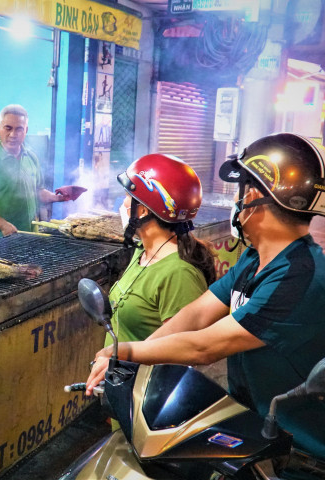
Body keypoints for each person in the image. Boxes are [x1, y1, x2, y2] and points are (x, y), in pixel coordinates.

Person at [86, 133, 325, 477]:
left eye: (240, 191)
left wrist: (126, 353)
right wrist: (137, 356)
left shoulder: (300, 277)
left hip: (299, 456)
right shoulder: (255, 259)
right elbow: (196, 314)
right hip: (256, 434)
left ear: (254, 197)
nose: (237, 202)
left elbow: (206, 346)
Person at [110, 154, 216, 344]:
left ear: (143, 210)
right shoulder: (142, 251)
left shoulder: (179, 275)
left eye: (128, 197)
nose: (123, 203)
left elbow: (180, 351)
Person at [0, 104, 70, 241]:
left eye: (19, 129)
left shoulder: (31, 157)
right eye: (8, 128)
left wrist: (56, 197)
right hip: (0, 241)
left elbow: (37, 191)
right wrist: (2, 224)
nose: (13, 135)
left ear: (26, 130)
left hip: (30, 236)